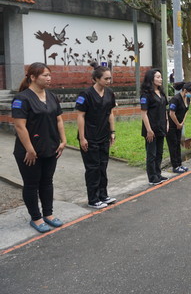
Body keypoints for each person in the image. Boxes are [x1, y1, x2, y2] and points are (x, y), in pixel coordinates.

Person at [12, 62, 67, 233]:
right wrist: (29, 149)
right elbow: (20, 126)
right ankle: (36, 218)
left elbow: (59, 119)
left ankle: (48, 215)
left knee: (47, 182)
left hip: (50, 147)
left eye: (50, 75)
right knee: (31, 184)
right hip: (29, 152)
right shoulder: (21, 99)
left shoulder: (51, 96)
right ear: (33, 77)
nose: (49, 78)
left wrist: (63, 141)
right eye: (45, 75)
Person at [75, 62, 117, 209]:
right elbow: (80, 116)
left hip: (104, 135)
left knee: (103, 166)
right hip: (90, 137)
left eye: (110, 78)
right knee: (92, 168)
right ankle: (93, 199)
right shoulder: (85, 95)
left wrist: (112, 132)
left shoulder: (110, 93)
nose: (109, 81)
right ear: (96, 79)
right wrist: (82, 137)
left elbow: (111, 113)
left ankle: (103, 195)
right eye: (106, 78)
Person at [141, 69, 169, 185]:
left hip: (161, 127)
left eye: (161, 77)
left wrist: (167, 123)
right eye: (158, 77)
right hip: (151, 128)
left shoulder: (161, 93)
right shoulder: (146, 94)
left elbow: (165, 110)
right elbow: (144, 113)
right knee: (151, 154)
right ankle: (152, 177)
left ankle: (158, 173)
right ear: (151, 79)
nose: (160, 79)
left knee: (159, 153)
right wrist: (149, 130)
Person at [166, 81, 191, 173]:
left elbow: (186, 111)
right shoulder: (175, 99)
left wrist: (182, 122)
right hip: (171, 126)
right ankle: (175, 166)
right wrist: (178, 124)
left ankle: (179, 164)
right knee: (173, 145)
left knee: (178, 144)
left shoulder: (187, 99)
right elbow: (171, 113)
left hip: (180, 125)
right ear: (185, 90)